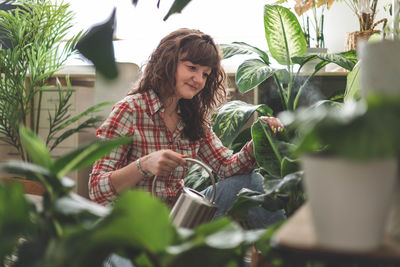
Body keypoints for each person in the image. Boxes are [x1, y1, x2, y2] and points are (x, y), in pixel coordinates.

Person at [89, 28, 285, 229]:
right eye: (192, 68)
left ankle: (284, 253)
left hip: (181, 219)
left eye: (205, 74)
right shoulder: (130, 110)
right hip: (133, 227)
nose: (199, 79)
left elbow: (226, 166)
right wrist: (144, 165)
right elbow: (97, 188)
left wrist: (254, 146)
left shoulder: (193, 118)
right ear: (168, 61)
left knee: (251, 183)